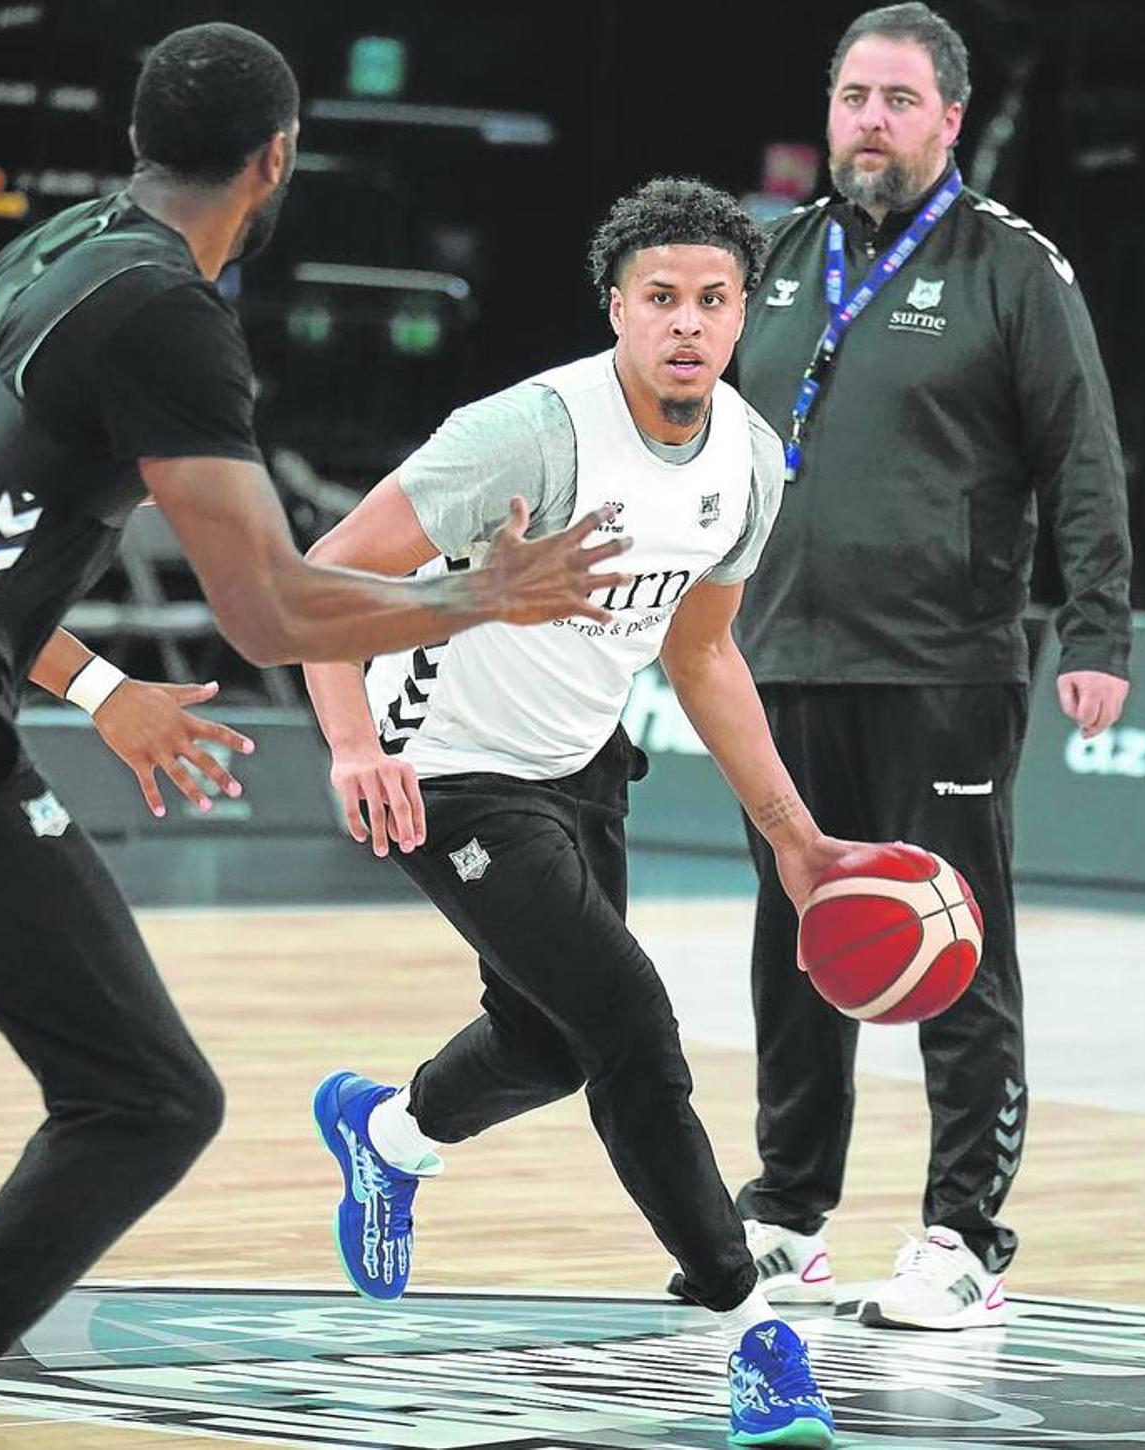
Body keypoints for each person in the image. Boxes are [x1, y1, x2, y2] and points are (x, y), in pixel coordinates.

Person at [0, 22, 629, 1393]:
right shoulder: (165, 315)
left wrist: (93, 681)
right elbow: (269, 609)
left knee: (124, 1089)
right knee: (146, 1099)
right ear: (279, 157)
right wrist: (479, 596)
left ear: (140, 139)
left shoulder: (49, 251)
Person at [304, 177, 846, 1448]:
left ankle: (385, 1130)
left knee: (549, 1044)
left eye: (715, 300)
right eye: (661, 298)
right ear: (617, 307)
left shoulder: (751, 461)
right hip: (444, 764)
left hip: (580, 762)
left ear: (743, 314)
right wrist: (347, 748)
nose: (688, 324)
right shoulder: (528, 434)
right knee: (629, 1021)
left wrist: (794, 834)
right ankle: (749, 1333)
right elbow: (322, 576)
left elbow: (705, 656)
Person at [717, 1, 1132, 1331]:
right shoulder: (774, 253)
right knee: (795, 942)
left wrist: (1096, 627)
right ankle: (786, 1209)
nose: (870, 123)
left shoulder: (1013, 267)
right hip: (776, 658)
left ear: (949, 119)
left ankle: (964, 1232)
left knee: (957, 950)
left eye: (898, 100)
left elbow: (1082, 457)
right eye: (853, 98)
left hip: (942, 663)